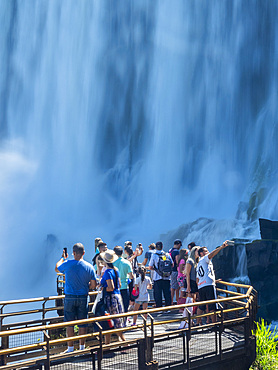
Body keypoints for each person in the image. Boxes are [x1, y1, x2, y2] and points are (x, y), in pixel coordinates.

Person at [55, 243, 97, 353]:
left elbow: (56, 268)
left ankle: (70, 348)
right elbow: (93, 285)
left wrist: (62, 258)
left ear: (73, 253)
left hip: (69, 297)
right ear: (84, 253)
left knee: (69, 323)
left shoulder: (67, 264)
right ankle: (82, 347)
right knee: (83, 322)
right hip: (83, 297)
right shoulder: (89, 267)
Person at [196, 241, 229, 323]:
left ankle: (197, 323)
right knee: (213, 305)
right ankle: (214, 324)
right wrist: (221, 247)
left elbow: (197, 278)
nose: (208, 252)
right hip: (208, 285)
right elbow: (212, 255)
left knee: (201, 306)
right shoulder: (205, 258)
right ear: (201, 253)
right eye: (206, 251)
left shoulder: (199, 263)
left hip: (201, 286)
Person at [100, 249, 126, 344]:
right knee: (112, 320)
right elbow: (118, 284)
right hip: (118, 296)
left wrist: (103, 289)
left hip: (110, 298)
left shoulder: (107, 272)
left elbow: (111, 287)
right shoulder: (116, 270)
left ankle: (124, 342)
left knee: (114, 320)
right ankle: (107, 344)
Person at [149, 241, 173, 309]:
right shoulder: (167, 254)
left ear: (156, 247)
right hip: (167, 277)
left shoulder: (154, 255)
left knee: (158, 294)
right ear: (162, 246)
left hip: (157, 277)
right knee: (167, 293)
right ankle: (168, 307)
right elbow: (172, 264)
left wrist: (157, 270)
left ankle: (159, 308)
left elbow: (150, 266)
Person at [113, 246, 134, 318]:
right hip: (125, 286)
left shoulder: (112, 263)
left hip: (115, 287)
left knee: (116, 307)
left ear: (114, 253)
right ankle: (125, 321)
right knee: (125, 306)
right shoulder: (127, 262)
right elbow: (131, 276)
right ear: (122, 253)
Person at [169, 239, 182, 304]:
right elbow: (177, 261)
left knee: (173, 286)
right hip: (175, 270)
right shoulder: (176, 251)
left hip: (170, 270)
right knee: (175, 287)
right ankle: (175, 301)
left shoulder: (170, 250)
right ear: (178, 244)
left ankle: (172, 301)